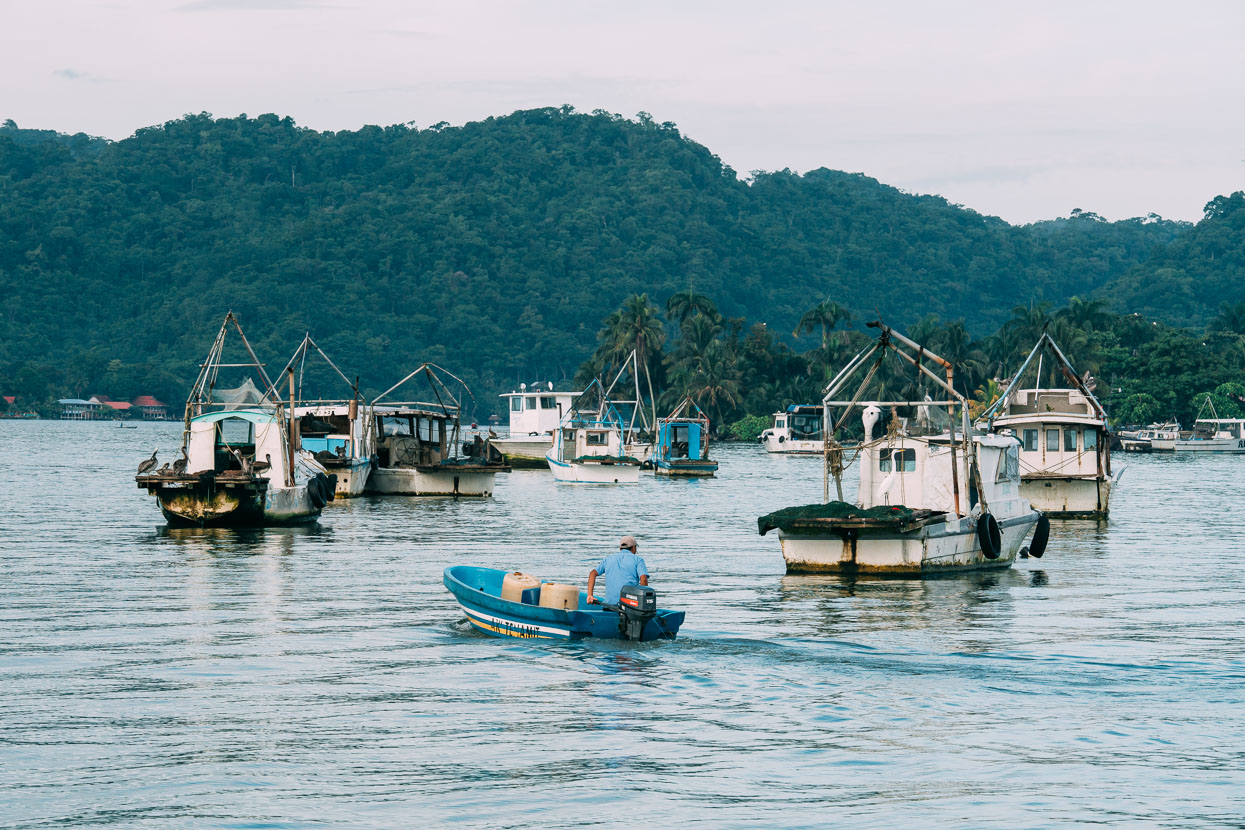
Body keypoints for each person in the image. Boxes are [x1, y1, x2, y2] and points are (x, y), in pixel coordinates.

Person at [586, 535, 649, 605]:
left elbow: (592, 573)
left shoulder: (608, 559)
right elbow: (643, 579)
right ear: (634, 547)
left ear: (620, 548)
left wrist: (590, 595)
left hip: (609, 605)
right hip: (629, 606)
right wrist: (644, 601)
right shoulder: (638, 560)